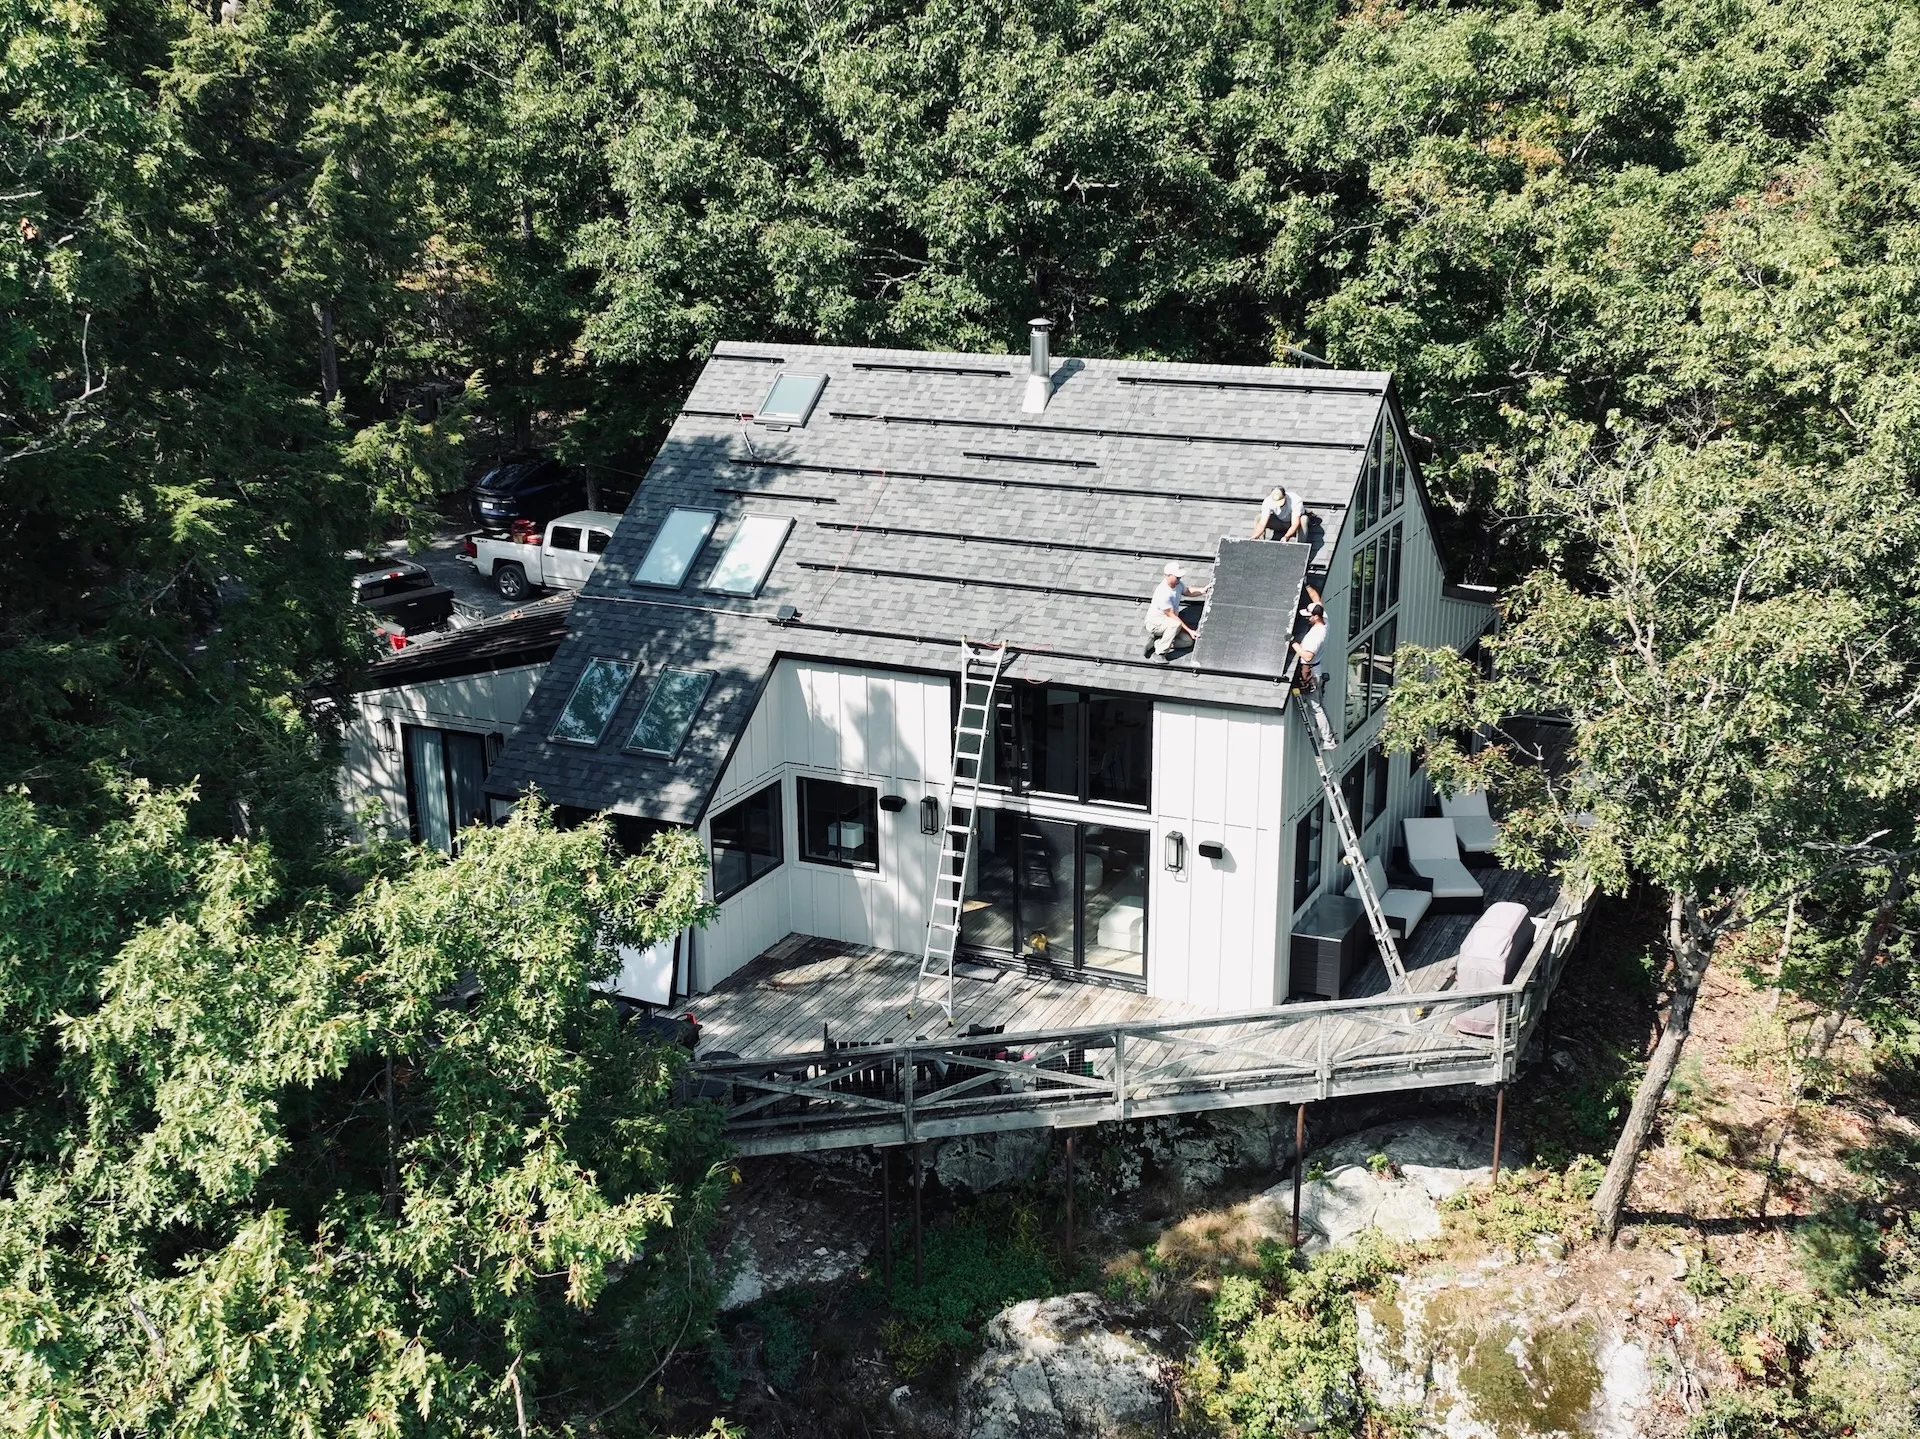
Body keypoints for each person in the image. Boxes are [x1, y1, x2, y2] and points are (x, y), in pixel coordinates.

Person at [1142, 561, 1210, 660]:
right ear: (1168, 575)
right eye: (1177, 577)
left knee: (1188, 642)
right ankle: (1159, 653)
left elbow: (1187, 591)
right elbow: (1172, 616)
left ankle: (1157, 641)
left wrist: (1202, 591)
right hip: (1155, 624)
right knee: (1175, 624)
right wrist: (1190, 631)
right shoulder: (1164, 593)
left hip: (1167, 623)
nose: (1179, 579)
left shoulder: (1177, 584)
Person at [1291, 585, 1327, 685]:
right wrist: (1307, 586)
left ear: (1316, 617)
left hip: (1308, 670)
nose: (1307, 618)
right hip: (1314, 667)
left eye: (1309, 616)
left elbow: (1307, 657)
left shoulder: (1316, 635)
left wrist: (1292, 642)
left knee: (1309, 695)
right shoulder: (1324, 618)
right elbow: (1316, 599)